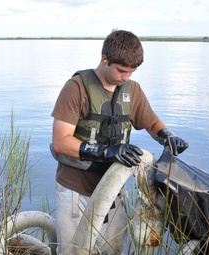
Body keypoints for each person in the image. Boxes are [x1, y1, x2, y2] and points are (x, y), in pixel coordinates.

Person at [51, 30, 188, 254]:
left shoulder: (132, 90)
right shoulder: (76, 88)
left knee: (114, 249)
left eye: (131, 72)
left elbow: (152, 123)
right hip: (76, 190)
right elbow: (60, 142)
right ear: (104, 58)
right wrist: (108, 151)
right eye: (121, 71)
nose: (126, 77)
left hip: (114, 192)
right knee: (72, 251)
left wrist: (168, 135)